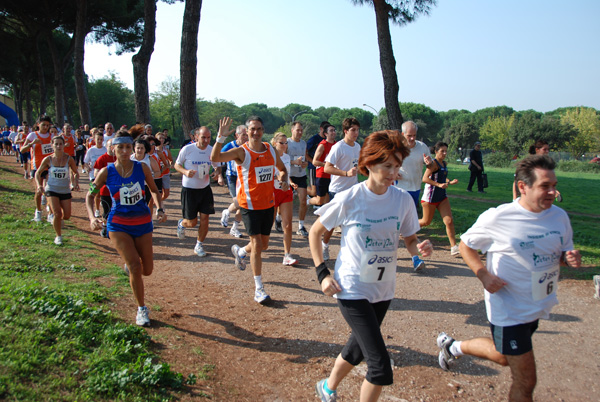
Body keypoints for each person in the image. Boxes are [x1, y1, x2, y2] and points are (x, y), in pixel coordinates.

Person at [437, 155, 581, 402]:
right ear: (523, 187)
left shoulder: (559, 217)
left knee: (503, 357)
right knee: (526, 380)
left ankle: (452, 346)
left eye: (554, 185)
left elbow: (559, 255)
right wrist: (483, 275)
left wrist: (568, 259)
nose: (552, 192)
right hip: (509, 309)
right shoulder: (499, 217)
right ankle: (452, 347)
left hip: (537, 304)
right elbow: (466, 245)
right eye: (545, 186)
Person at [309, 130, 433, 402]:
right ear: (369, 164)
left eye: (397, 165)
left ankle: (327, 388)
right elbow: (315, 232)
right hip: (351, 287)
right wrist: (322, 274)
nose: (393, 171)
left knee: (357, 349)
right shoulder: (351, 198)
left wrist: (419, 249)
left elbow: (410, 238)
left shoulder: (401, 200)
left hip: (383, 289)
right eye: (387, 165)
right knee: (380, 368)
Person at [87, 131, 167, 327]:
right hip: (118, 224)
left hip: (142, 223)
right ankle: (141, 309)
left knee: (147, 270)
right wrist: (92, 217)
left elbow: (154, 190)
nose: (124, 151)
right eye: (120, 147)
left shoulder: (142, 168)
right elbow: (90, 196)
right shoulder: (106, 171)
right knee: (135, 267)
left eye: (128, 147)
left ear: (132, 149)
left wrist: (159, 208)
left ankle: (130, 266)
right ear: (113, 149)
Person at [211, 116, 289, 305]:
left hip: (268, 204)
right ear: (247, 131)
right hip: (249, 205)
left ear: (263, 131)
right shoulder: (241, 152)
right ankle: (259, 289)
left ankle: (240, 252)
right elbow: (215, 158)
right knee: (257, 245)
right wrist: (220, 137)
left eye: (259, 129)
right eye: (252, 129)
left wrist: (283, 179)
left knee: (264, 245)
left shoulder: (270, 149)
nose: (256, 132)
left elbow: (282, 169)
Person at [174, 126, 221, 257]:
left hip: (205, 189)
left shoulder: (211, 150)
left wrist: (217, 173)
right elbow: (176, 165)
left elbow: (217, 166)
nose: (206, 140)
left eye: (208, 137)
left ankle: (199, 244)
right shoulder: (187, 149)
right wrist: (185, 171)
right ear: (196, 137)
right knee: (192, 222)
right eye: (203, 137)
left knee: (205, 219)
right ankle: (182, 224)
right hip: (189, 190)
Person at [394, 120, 434, 271]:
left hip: (415, 189)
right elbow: (386, 163)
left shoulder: (422, 147)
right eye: (409, 135)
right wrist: (393, 172)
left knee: (407, 226)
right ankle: (415, 259)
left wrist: (429, 163)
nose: (412, 138)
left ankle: (414, 257)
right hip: (399, 190)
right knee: (401, 225)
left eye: (414, 135)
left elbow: (432, 167)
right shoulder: (396, 147)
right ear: (403, 134)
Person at [321, 117, 361, 261]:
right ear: (345, 131)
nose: (356, 133)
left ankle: (350, 251)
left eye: (357, 130)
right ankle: (324, 245)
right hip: (338, 190)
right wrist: (345, 173)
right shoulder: (338, 147)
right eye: (353, 130)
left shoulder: (357, 147)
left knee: (351, 222)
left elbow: (359, 166)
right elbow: (327, 168)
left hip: (353, 190)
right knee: (332, 223)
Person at [34, 135, 79, 245]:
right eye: (56, 144)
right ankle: (58, 236)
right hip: (51, 189)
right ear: (52, 145)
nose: (59, 146)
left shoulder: (69, 159)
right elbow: (37, 173)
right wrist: (39, 185)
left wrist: (75, 182)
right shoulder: (48, 159)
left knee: (67, 216)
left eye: (61, 144)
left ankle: (55, 214)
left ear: (64, 145)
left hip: (65, 190)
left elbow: (75, 172)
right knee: (57, 214)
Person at [419, 142, 460, 256]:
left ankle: (454, 247)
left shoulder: (444, 163)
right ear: (436, 152)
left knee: (449, 221)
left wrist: (449, 182)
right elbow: (425, 178)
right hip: (430, 198)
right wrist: (438, 185)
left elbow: (442, 177)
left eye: (446, 151)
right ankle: (406, 226)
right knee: (426, 222)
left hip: (442, 197)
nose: (445, 153)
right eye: (442, 151)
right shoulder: (433, 164)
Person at [20, 116, 56, 222]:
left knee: (50, 190)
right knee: (39, 190)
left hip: (50, 166)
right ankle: (38, 211)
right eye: (43, 125)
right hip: (37, 166)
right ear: (38, 124)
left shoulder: (52, 136)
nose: (45, 127)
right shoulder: (32, 135)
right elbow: (22, 150)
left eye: (47, 125)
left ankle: (50, 213)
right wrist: (31, 144)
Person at [271, 132, 299, 266]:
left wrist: (290, 182)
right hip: (272, 192)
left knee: (288, 225)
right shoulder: (270, 157)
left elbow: (286, 173)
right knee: (267, 225)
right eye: (281, 143)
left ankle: (287, 255)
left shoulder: (287, 157)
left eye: (286, 142)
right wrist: (278, 179)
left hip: (286, 192)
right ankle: (254, 245)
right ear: (275, 143)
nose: (284, 145)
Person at [218, 124, 248, 238]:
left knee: (243, 203)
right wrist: (219, 174)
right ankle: (227, 212)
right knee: (238, 202)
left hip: (244, 177)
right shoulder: (230, 146)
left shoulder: (248, 146)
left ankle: (235, 227)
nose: (245, 137)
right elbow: (217, 157)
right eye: (243, 135)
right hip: (232, 177)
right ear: (236, 135)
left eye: (247, 135)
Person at [285, 121, 310, 237]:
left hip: (300, 175)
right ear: (292, 130)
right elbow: (281, 159)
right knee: (284, 202)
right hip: (288, 175)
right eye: (297, 130)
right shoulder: (287, 142)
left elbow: (303, 158)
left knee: (303, 201)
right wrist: (293, 162)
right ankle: (279, 218)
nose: (300, 132)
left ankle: (301, 226)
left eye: (301, 130)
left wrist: (304, 164)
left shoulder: (303, 143)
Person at [308, 123, 336, 207]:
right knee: (320, 201)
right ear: (326, 134)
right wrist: (326, 165)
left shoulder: (337, 145)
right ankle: (308, 201)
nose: (333, 132)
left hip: (333, 176)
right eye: (331, 131)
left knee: (328, 202)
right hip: (322, 175)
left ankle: (324, 218)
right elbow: (314, 162)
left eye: (334, 130)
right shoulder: (322, 145)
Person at [94, 139, 117, 238]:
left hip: (117, 191)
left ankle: (116, 229)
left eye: (114, 146)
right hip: (105, 191)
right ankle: (105, 227)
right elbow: (96, 172)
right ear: (107, 147)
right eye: (110, 146)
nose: (112, 148)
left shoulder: (119, 158)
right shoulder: (102, 158)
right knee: (107, 210)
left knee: (117, 210)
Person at [84, 129, 107, 218]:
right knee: (96, 192)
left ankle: (103, 209)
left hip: (105, 176)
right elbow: (85, 161)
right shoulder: (91, 150)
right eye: (98, 139)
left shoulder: (105, 149)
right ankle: (97, 210)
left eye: (101, 139)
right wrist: (87, 167)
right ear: (94, 139)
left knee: (103, 193)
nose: (100, 141)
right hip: (93, 175)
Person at [306, 121, 330, 198]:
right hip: (313, 167)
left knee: (324, 191)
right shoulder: (313, 139)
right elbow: (305, 153)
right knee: (314, 191)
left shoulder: (328, 140)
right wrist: (312, 162)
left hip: (324, 168)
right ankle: (300, 189)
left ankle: (318, 204)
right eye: (325, 129)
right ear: (321, 129)